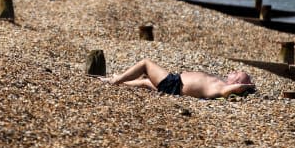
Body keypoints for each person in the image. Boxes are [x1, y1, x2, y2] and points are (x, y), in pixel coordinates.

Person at [99, 58, 255, 99]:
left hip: (174, 84)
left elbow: (237, 88)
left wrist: (249, 86)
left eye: (237, 73)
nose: (233, 71)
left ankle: (115, 80)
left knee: (145, 64)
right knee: (145, 82)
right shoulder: (220, 83)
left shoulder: (223, 88)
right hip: (175, 85)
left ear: (238, 82)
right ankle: (119, 81)